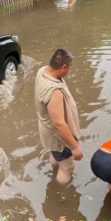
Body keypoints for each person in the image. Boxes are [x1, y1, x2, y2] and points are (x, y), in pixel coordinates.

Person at [34, 49, 82, 185]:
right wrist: (74, 147)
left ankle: (55, 169)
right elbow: (59, 124)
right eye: (69, 67)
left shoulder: (43, 71)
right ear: (64, 67)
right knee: (67, 167)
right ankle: (59, 192)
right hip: (58, 139)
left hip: (46, 131)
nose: (69, 71)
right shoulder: (54, 91)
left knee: (55, 156)